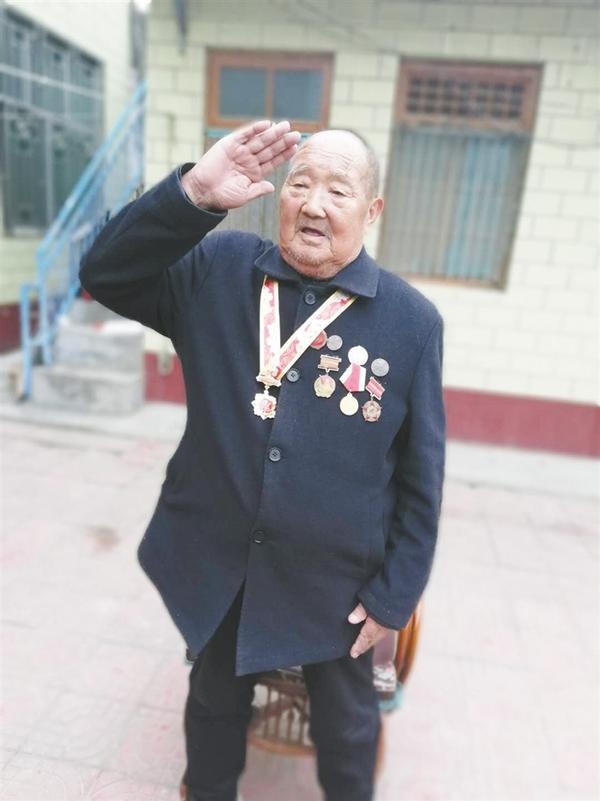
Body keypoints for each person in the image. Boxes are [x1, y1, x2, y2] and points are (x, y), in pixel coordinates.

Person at [79, 119, 446, 801]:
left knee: (347, 732)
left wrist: (393, 598)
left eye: (338, 190)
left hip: (339, 587)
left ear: (371, 210)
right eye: (300, 183)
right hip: (222, 563)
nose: (314, 204)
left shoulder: (411, 322)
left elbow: (423, 480)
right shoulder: (221, 270)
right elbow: (104, 271)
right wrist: (196, 193)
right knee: (213, 707)